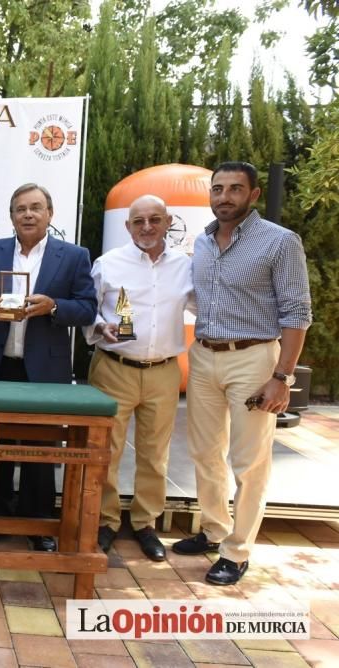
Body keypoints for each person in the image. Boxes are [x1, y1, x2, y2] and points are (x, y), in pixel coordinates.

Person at [173, 162, 311, 585]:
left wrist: (282, 376)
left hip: (254, 358)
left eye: (235, 189)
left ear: (253, 194)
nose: (224, 197)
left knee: (249, 461)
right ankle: (214, 530)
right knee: (204, 451)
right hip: (204, 355)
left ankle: (238, 551)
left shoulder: (280, 242)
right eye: (218, 189)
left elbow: (297, 313)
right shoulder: (203, 241)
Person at [0, 183, 95, 552]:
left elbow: (87, 307)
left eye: (36, 207)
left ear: (50, 214)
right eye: (20, 208)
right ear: (11, 216)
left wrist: (54, 306)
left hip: (44, 371)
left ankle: (39, 524)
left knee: (42, 453)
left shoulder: (73, 256)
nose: (28, 214)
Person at [84, 195, 193, 561]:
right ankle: (106, 520)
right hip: (114, 368)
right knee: (105, 452)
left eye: (155, 219)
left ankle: (146, 522)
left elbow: (205, 306)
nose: (147, 227)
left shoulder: (185, 267)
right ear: (128, 226)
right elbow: (87, 310)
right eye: (138, 221)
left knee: (155, 454)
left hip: (163, 371)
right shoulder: (107, 264)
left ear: (167, 222)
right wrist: (101, 326)